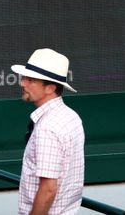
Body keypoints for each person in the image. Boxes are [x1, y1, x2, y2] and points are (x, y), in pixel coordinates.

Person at [10, 49, 85, 215]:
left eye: (30, 80)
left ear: (50, 88)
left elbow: (49, 189)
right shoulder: (71, 117)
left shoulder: (48, 127)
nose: (23, 83)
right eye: (24, 78)